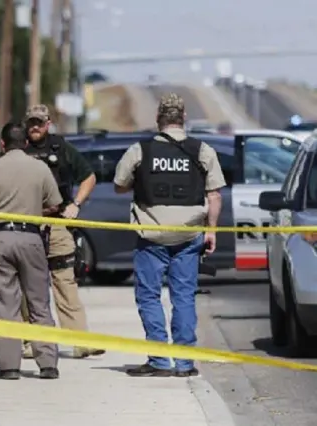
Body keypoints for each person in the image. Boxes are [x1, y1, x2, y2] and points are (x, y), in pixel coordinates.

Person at [114, 93, 225, 377]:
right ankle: (185, 363)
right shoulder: (203, 150)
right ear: (183, 117)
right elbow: (214, 195)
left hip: (151, 237)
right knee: (184, 297)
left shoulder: (141, 150)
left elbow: (119, 185)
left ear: (158, 118)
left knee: (149, 297)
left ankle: (160, 361)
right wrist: (211, 231)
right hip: (189, 237)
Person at [0, 122, 62, 380]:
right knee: (39, 303)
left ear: (2, 143)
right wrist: (33, 209)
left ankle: (10, 366)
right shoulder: (40, 168)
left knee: (4, 304)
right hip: (31, 237)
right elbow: (55, 205)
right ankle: (47, 364)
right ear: (25, 143)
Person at [21, 104, 104, 359]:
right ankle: (28, 341)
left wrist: (76, 205)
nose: (35, 127)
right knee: (28, 285)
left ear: (48, 124)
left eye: (40, 122)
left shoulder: (61, 148)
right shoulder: (18, 150)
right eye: (31, 122)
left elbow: (89, 176)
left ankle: (79, 341)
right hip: (27, 225)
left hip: (57, 225)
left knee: (65, 282)